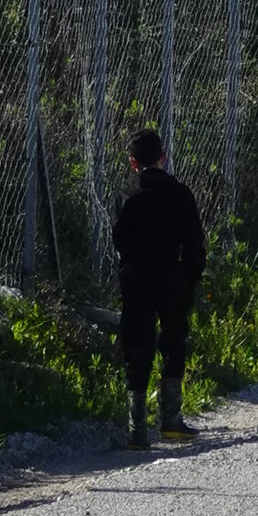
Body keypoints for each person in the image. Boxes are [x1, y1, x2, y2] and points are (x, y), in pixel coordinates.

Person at [112, 129, 207, 445]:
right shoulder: (179, 193)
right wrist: (189, 278)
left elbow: (119, 240)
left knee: (137, 346)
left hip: (137, 277)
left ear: (133, 162)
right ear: (163, 157)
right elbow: (194, 242)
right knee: (173, 342)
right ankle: (171, 420)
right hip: (171, 275)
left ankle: (136, 430)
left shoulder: (126, 194)